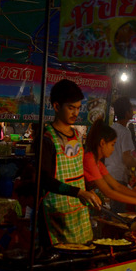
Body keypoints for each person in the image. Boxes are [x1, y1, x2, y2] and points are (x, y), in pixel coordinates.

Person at [36, 79, 101, 249]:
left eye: (78, 108)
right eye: (71, 108)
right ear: (57, 107)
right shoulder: (46, 139)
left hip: (78, 213)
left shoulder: (77, 136)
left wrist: (90, 189)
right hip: (56, 216)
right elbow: (44, 179)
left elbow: (78, 171)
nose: (75, 113)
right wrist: (78, 192)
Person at [84, 119, 136, 212]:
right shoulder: (89, 160)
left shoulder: (98, 163)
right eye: (112, 145)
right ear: (102, 143)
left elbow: (117, 186)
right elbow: (108, 192)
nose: (113, 149)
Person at [105, 97, 136, 213]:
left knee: (111, 211)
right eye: (131, 110)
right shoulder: (125, 132)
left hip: (108, 174)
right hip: (118, 177)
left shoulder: (111, 129)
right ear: (127, 113)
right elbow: (126, 158)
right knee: (118, 211)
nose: (132, 112)